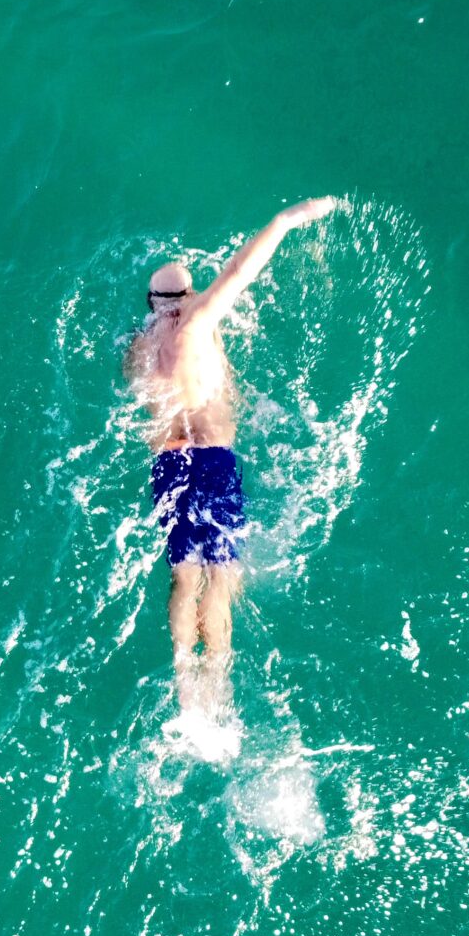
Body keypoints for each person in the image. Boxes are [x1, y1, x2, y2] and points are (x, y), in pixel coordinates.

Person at [125, 197, 344, 707]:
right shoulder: (196, 320)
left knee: (184, 575)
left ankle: (184, 682)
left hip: (168, 463)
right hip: (214, 457)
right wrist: (288, 220)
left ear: (153, 302)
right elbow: (241, 269)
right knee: (221, 575)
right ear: (187, 296)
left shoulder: (139, 344)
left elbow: (142, 410)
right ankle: (217, 685)